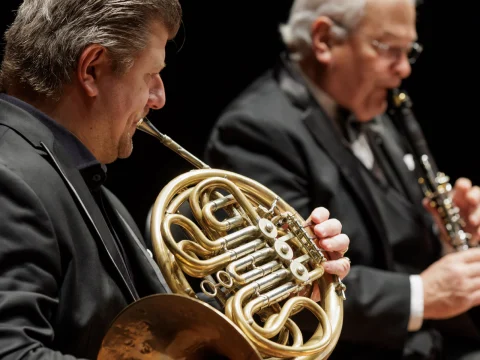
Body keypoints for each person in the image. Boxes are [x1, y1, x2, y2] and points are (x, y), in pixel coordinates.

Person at [0, 0, 350, 359]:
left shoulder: (74, 177)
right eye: (150, 75)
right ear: (91, 69)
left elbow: (143, 340)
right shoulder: (10, 179)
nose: (160, 98)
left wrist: (273, 291)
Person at [204, 0, 480, 359]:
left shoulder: (369, 107)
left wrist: (446, 235)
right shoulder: (254, 131)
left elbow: (395, 238)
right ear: (324, 40)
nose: (403, 69)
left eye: (408, 51)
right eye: (389, 49)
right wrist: (418, 296)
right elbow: (284, 281)